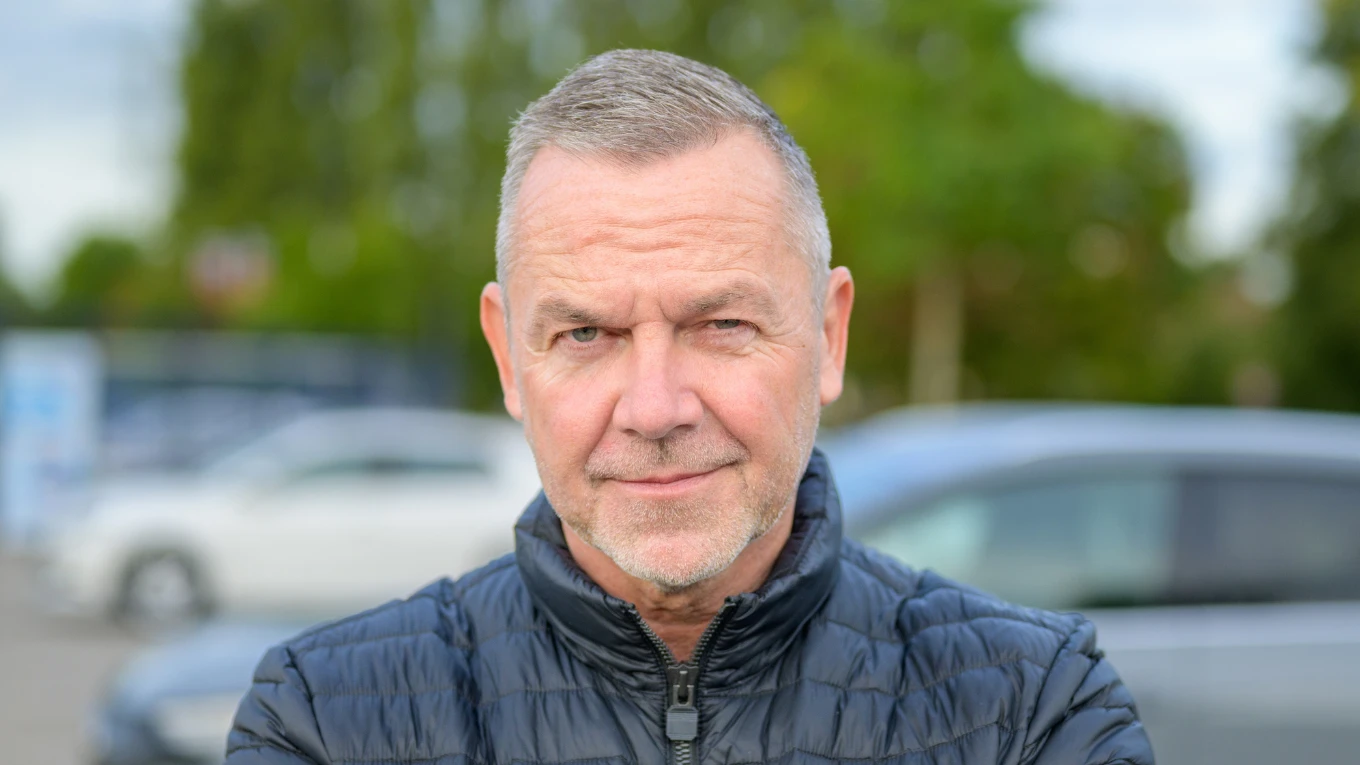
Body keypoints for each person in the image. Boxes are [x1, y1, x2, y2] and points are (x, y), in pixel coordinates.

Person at [227, 49, 1152, 765]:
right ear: (509, 356)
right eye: (585, 334)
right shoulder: (325, 722)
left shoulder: (1031, 709)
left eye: (721, 324)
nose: (655, 407)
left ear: (828, 337)